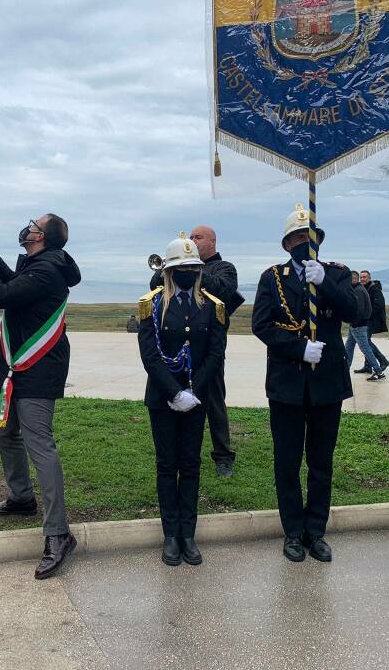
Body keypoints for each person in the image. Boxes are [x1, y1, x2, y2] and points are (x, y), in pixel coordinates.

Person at [0, 214, 82, 579]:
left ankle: (58, 533)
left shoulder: (47, 269)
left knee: (39, 444)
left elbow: (1, 295)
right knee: (4, 431)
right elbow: (15, 284)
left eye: (34, 223)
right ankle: (21, 498)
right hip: (19, 367)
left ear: (42, 236)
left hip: (38, 368)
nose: (27, 226)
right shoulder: (39, 264)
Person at [252, 205, 358, 563]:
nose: (304, 242)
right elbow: (261, 325)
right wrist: (299, 348)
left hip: (327, 383)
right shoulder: (273, 278)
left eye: (309, 237)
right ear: (287, 244)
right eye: (297, 237)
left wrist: (324, 283)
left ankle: (317, 531)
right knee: (287, 462)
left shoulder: (337, 274)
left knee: (320, 463)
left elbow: (358, 313)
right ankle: (293, 532)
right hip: (287, 384)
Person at [138, 233, 226, 566]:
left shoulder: (213, 306)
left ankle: (188, 534)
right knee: (166, 465)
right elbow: (149, 355)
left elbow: (215, 354)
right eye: (182, 267)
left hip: (196, 399)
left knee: (190, 465)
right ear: (170, 271)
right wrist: (174, 393)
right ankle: (170, 535)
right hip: (163, 400)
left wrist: (193, 393)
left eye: (193, 266)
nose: (188, 272)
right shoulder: (153, 304)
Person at [150, 225, 243, 477]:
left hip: (207, 348)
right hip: (174, 348)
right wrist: (172, 264)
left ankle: (223, 455)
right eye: (190, 238)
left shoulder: (224, 268)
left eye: (197, 237)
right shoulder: (175, 266)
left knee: (213, 400)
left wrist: (194, 267)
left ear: (212, 242)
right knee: (174, 395)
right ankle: (179, 448)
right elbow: (154, 284)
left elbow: (224, 290)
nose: (192, 240)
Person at [344, 270, 384, 380]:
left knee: (365, 348)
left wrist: (355, 322)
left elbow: (359, 309)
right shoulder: (358, 289)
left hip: (358, 325)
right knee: (349, 347)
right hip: (355, 324)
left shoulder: (358, 291)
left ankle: (379, 372)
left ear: (354, 279)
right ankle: (345, 370)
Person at [356, 270, 389, 374]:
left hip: (371, 320)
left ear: (369, 278)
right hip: (366, 320)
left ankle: (383, 360)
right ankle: (367, 366)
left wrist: (367, 315)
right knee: (365, 342)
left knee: (365, 342)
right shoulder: (363, 288)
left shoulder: (374, 289)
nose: (362, 279)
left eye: (364, 277)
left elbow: (378, 305)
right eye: (361, 277)